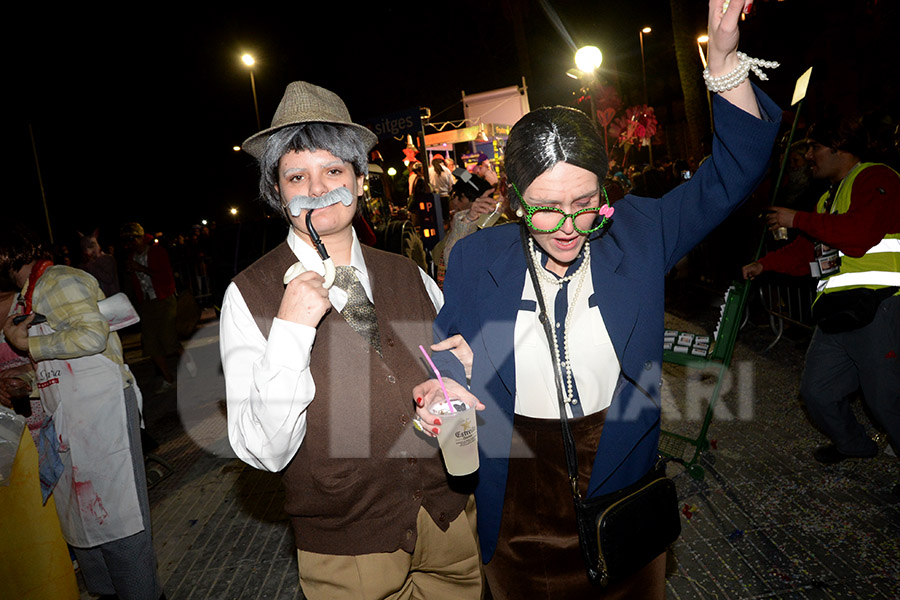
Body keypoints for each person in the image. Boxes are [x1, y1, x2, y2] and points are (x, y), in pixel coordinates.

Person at [414, 1, 780, 596]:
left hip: (621, 477)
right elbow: (451, 345)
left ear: (607, 189)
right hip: (518, 491)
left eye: (585, 204)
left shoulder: (641, 230)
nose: (566, 226)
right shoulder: (477, 258)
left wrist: (723, 56)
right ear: (511, 199)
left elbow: (734, 174)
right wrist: (445, 384)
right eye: (544, 208)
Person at [220, 81, 482, 599]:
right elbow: (265, 451)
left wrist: (459, 373)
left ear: (359, 180)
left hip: (450, 522)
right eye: (297, 176)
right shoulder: (248, 295)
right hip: (347, 544)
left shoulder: (410, 273)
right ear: (279, 194)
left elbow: (444, 371)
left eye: (334, 171)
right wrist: (292, 330)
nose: (318, 190)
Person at [1, 222, 165, 600]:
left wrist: (27, 344)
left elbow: (92, 337)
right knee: (86, 522)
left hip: (102, 410)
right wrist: (26, 378)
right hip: (72, 416)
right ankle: (109, 593)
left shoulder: (58, 281)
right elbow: (62, 356)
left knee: (121, 518)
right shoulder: (31, 294)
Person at [742, 114, 900, 472]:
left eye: (814, 147)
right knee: (817, 392)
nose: (808, 155)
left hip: (879, 307)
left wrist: (796, 219)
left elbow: (860, 234)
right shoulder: (827, 200)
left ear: (837, 146)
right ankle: (855, 445)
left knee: (886, 400)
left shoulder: (877, 177)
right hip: (836, 313)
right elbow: (807, 252)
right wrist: (764, 265)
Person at [121, 222, 195, 391]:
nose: (130, 243)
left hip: (164, 299)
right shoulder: (131, 257)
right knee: (150, 344)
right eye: (127, 240)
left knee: (169, 339)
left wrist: (141, 268)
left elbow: (165, 277)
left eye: (132, 239)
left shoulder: (157, 252)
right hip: (146, 303)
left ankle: (189, 362)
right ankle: (168, 378)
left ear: (141, 238)